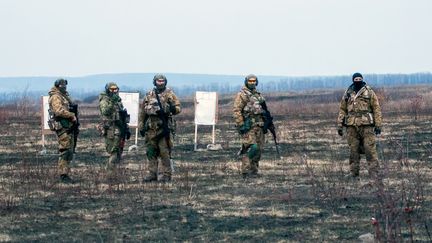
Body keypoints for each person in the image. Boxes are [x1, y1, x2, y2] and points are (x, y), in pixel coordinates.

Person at [337, 72, 382, 179]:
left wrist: (378, 124)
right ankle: (354, 175)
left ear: (362, 79)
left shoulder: (369, 92)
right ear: (353, 80)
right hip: (351, 126)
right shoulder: (348, 93)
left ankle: (374, 175)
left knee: (369, 150)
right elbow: (342, 109)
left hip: (367, 126)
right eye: (355, 79)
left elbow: (376, 108)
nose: (357, 81)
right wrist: (340, 124)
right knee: (353, 151)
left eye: (359, 79)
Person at [139, 74, 181, 182]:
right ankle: (152, 174)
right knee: (151, 151)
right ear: (155, 82)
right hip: (151, 128)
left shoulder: (170, 94)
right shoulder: (149, 95)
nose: (160, 83)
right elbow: (142, 112)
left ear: (165, 82)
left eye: (162, 81)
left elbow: (178, 108)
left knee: (164, 152)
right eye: (158, 81)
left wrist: (171, 109)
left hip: (164, 127)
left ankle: (166, 174)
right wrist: (141, 126)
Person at [233, 74, 271, 178]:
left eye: (254, 81)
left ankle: (254, 171)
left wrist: (268, 123)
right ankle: (245, 171)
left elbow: (265, 110)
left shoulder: (258, 95)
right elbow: (237, 111)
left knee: (258, 150)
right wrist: (241, 125)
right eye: (250, 81)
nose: (252, 83)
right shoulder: (242, 95)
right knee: (252, 148)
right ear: (246, 82)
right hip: (248, 126)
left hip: (259, 126)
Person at [48, 78, 78, 183]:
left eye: (65, 84)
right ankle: (63, 175)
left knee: (69, 150)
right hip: (62, 126)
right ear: (57, 86)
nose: (64, 86)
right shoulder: (56, 97)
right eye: (61, 85)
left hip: (68, 126)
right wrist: (71, 115)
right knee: (65, 150)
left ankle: (65, 173)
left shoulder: (64, 96)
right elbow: (58, 111)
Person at [98, 82, 131, 177]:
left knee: (119, 151)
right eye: (112, 89)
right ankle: (110, 173)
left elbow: (122, 115)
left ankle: (113, 172)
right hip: (111, 128)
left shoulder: (118, 101)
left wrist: (126, 128)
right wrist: (112, 101)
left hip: (120, 127)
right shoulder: (105, 99)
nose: (114, 91)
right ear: (107, 89)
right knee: (114, 151)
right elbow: (105, 111)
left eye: (116, 89)